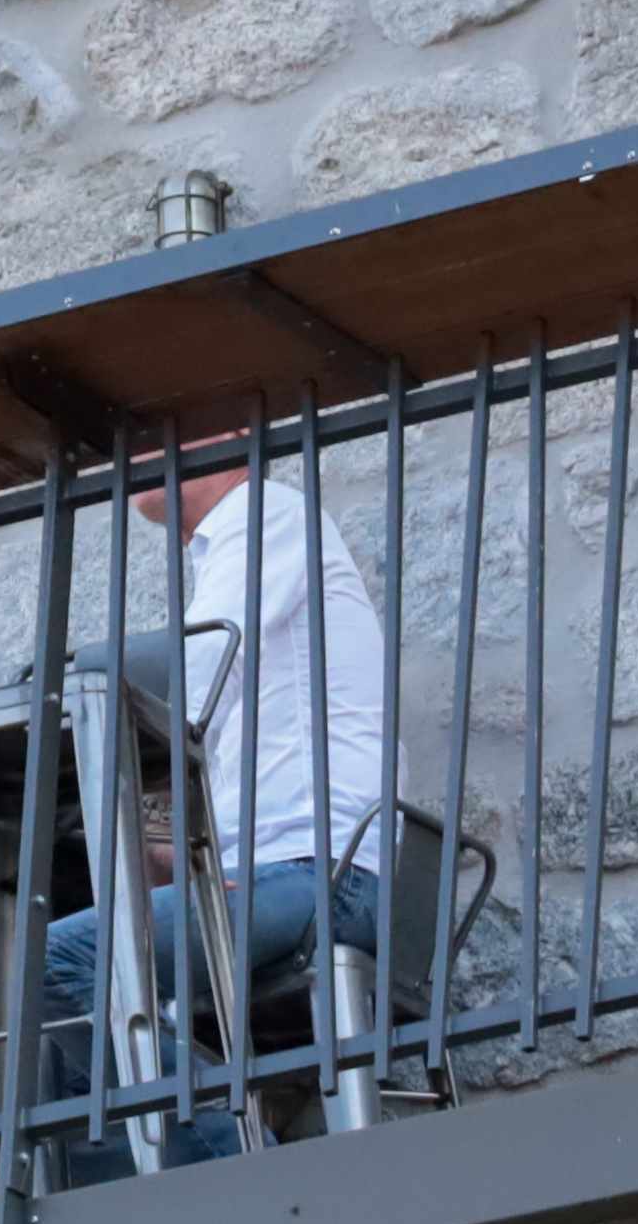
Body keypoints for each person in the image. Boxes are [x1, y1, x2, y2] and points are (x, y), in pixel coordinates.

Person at [38, 458, 394, 1168]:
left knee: (60, 964)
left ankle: (234, 1163)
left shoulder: (265, 516)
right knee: (59, 1037)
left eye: (152, 433)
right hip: (284, 870)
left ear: (234, 431)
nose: (132, 455)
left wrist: (69, 699)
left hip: (318, 874)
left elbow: (191, 677)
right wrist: (164, 855)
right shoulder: (238, 546)